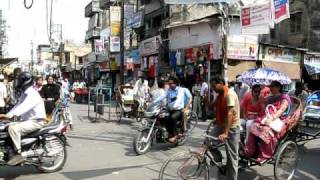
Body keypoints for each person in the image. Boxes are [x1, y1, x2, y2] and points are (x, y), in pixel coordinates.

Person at [0, 72, 46, 166]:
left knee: (13, 128)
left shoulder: (32, 93)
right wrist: (6, 116)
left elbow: (23, 107)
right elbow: (17, 106)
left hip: (36, 121)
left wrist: (9, 116)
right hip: (27, 121)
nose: (17, 83)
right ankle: (9, 150)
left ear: (25, 81)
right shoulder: (24, 94)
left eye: (19, 81)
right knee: (5, 127)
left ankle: (18, 154)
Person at [245, 81, 291, 164]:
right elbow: (264, 109)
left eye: (272, 86)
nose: (270, 88)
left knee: (266, 131)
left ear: (278, 87)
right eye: (270, 86)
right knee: (253, 126)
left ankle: (265, 155)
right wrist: (262, 101)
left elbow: (281, 110)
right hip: (267, 117)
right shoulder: (270, 98)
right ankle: (250, 151)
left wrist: (272, 119)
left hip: (279, 120)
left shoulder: (285, 97)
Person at [204, 76, 240, 180]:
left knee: (232, 157)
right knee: (207, 141)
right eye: (212, 87)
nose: (213, 88)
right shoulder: (219, 95)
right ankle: (218, 157)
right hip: (220, 124)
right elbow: (211, 106)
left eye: (214, 86)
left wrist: (226, 133)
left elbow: (230, 113)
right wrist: (206, 98)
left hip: (231, 127)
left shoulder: (229, 94)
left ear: (221, 83)